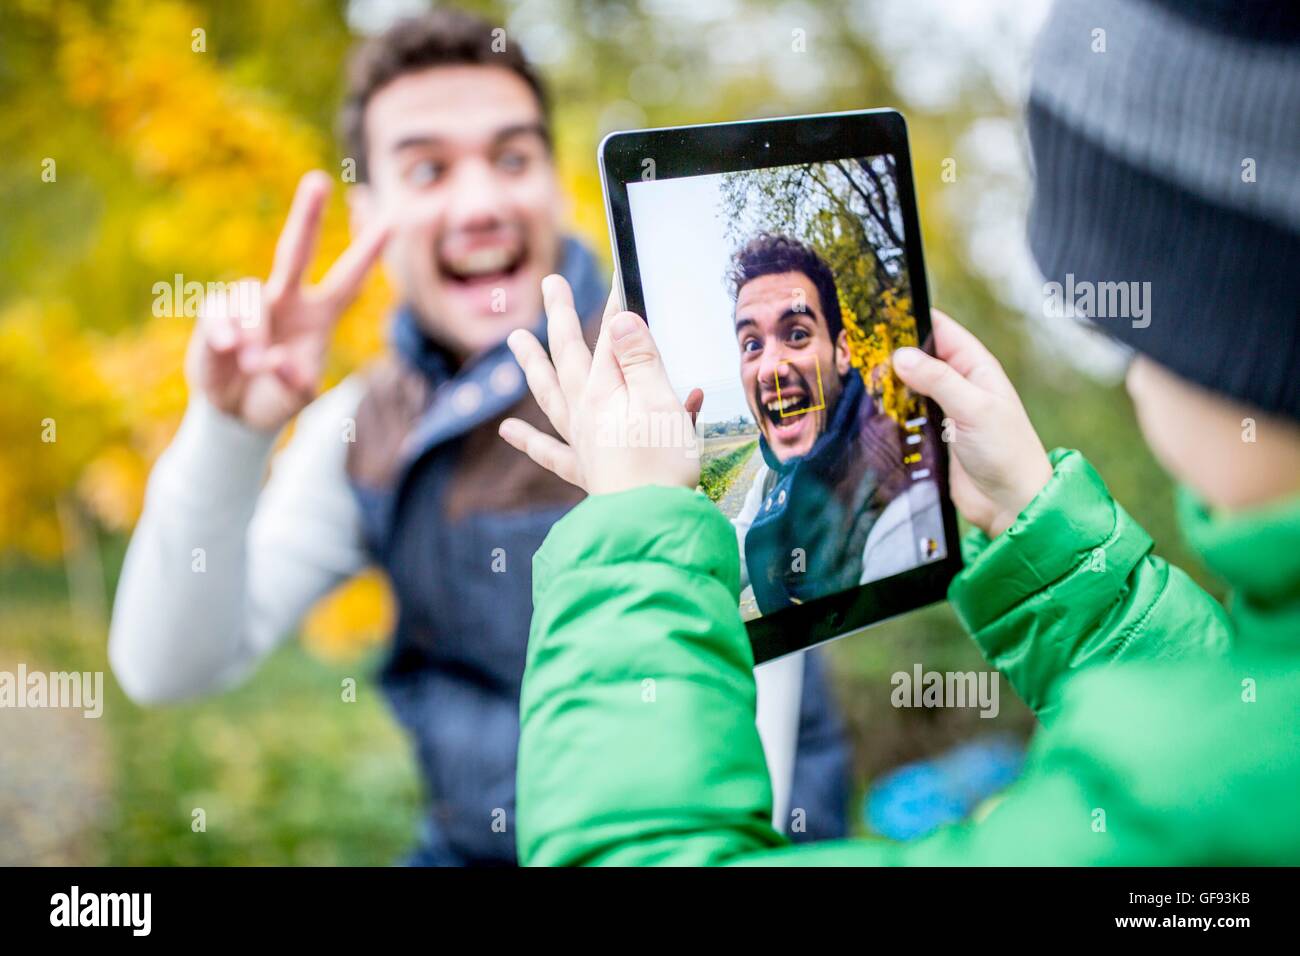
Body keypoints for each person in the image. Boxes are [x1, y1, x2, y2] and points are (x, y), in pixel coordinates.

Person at [499, 0, 1300, 864]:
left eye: (1143, 334)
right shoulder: (1246, 750)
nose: (1133, 367)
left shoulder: (1170, 807)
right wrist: (1037, 520)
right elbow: (1216, 704)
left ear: (1239, 336)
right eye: (748, 342)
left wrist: (633, 532)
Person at [107, 8, 848, 865]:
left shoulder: (672, 379)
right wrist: (227, 431)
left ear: (551, 176)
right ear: (370, 210)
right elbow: (167, 667)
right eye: (428, 168)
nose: (483, 202)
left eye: (511, 158)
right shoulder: (363, 426)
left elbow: (757, 760)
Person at [725, 233, 943, 615]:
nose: (771, 370)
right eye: (752, 344)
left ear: (842, 352)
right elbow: (729, 558)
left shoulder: (903, 503)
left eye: (796, 334)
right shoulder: (771, 479)